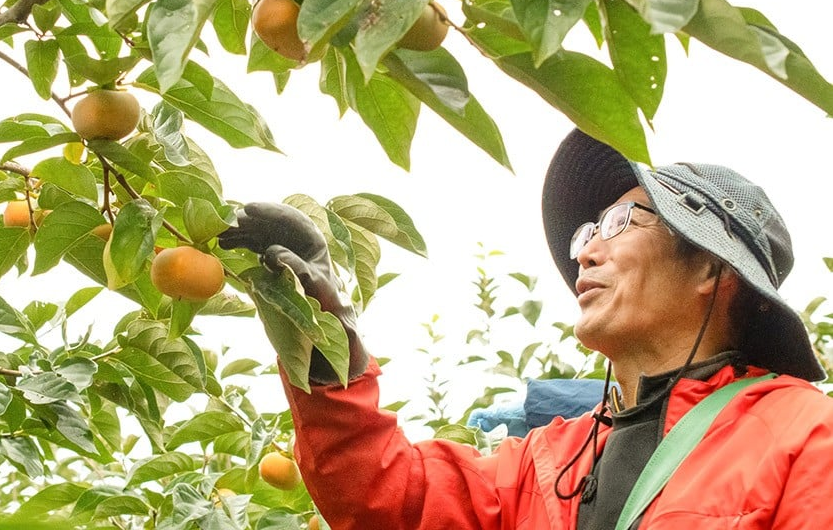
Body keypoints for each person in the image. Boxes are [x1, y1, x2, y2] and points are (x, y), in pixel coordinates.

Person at [218, 128, 833, 529]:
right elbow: (392, 500)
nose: (585, 254)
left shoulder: (804, 433)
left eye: (620, 222)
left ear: (708, 266)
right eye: (586, 233)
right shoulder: (550, 457)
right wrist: (324, 342)